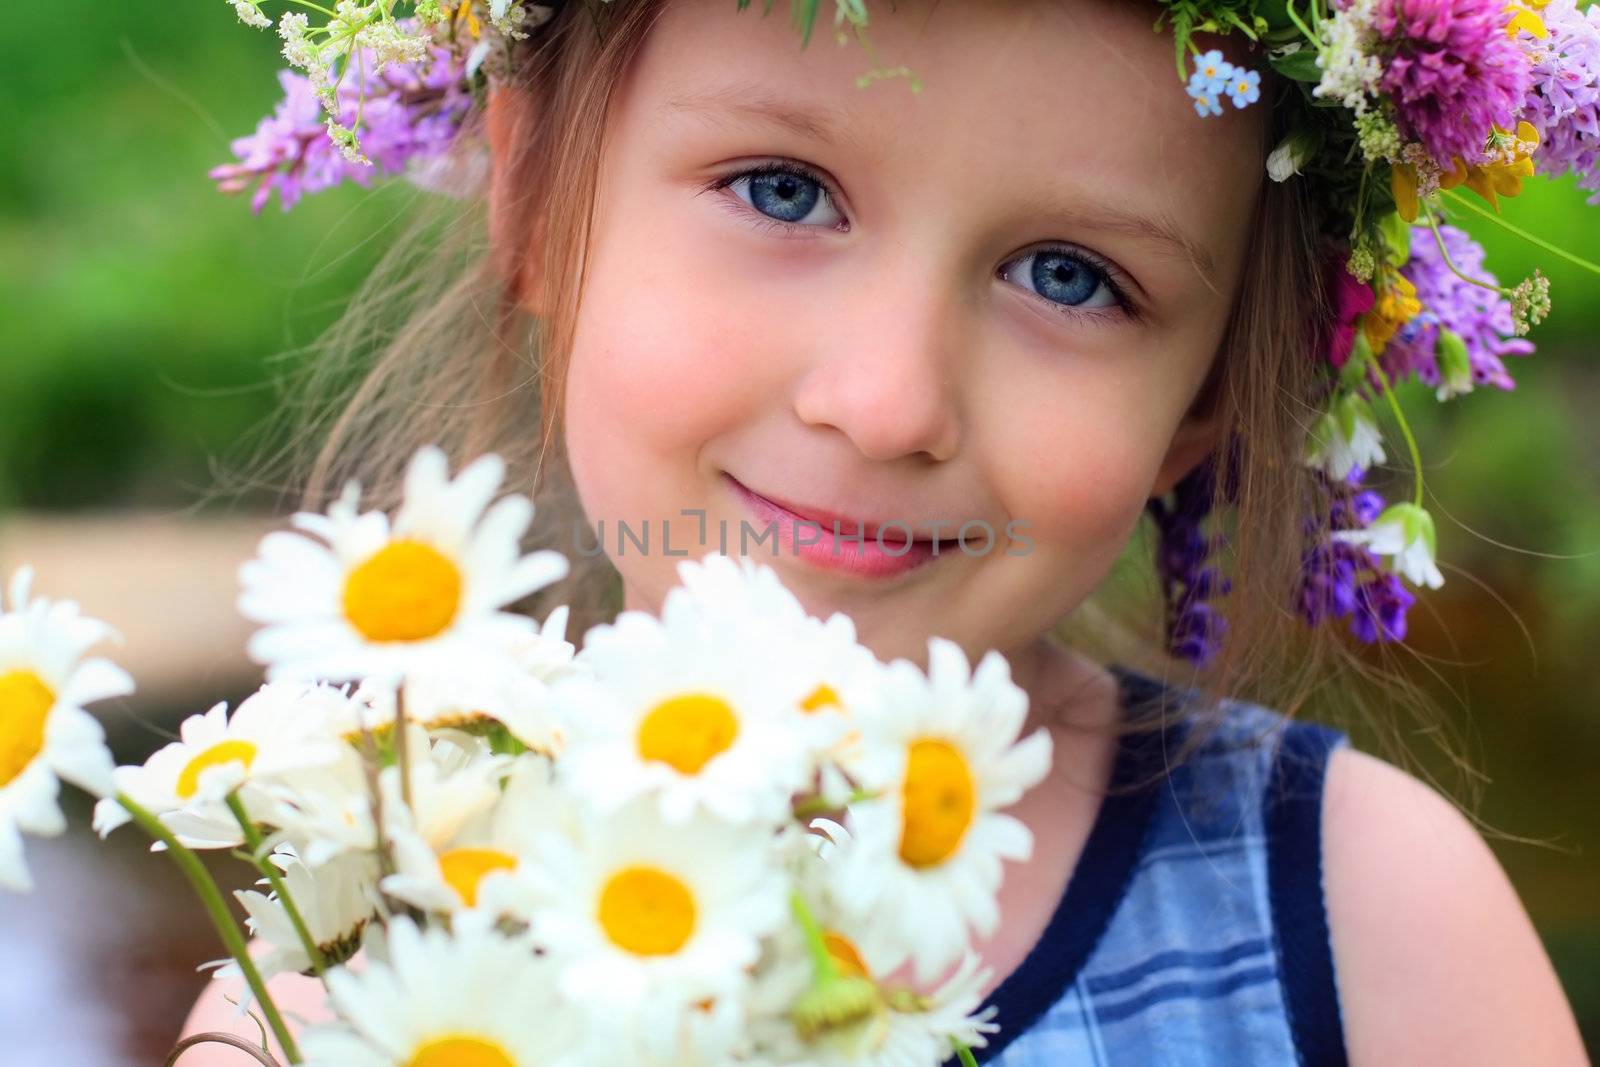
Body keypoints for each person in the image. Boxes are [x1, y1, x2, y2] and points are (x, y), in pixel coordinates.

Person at [183, 0, 1590, 1062]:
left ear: (1207, 399)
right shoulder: (366, 948)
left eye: (1070, 277)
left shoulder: (1367, 930)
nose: (886, 402)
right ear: (536, 198)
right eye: (781, 189)